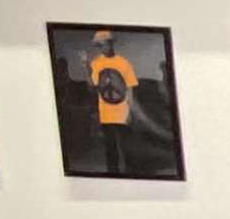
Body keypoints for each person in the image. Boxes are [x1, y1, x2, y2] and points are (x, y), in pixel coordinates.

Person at [74, 28, 178, 177]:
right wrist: (85, 65)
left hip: (123, 111)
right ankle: (113, 176)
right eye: (100, 45)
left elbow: (129, 88)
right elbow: (92, 85)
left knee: (128, 147)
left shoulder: (123, 63)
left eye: (105, 44)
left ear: (111, 44)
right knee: (110, 148)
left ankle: (130, 176)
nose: (104, 47)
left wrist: (131, 111)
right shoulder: (96, 63)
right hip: (106, 113)